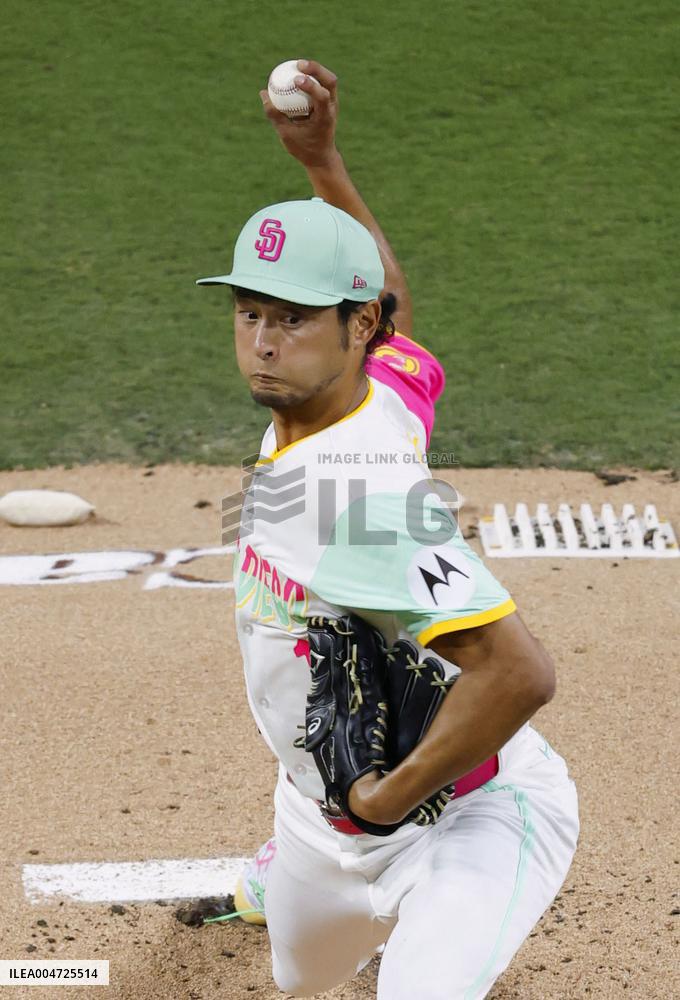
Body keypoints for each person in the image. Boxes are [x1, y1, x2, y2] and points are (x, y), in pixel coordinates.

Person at [197, 60, 579, 1000]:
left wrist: (379, 800)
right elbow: (391, 292)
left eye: (292, 318)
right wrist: (322, 162)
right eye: (249, 313)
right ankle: (274, 880)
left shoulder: (359, 497)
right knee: (299, 976)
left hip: (467, 818)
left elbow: (520, 671)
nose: (264, 342)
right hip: (315, 826)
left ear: (353, 326)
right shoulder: (368, 392)